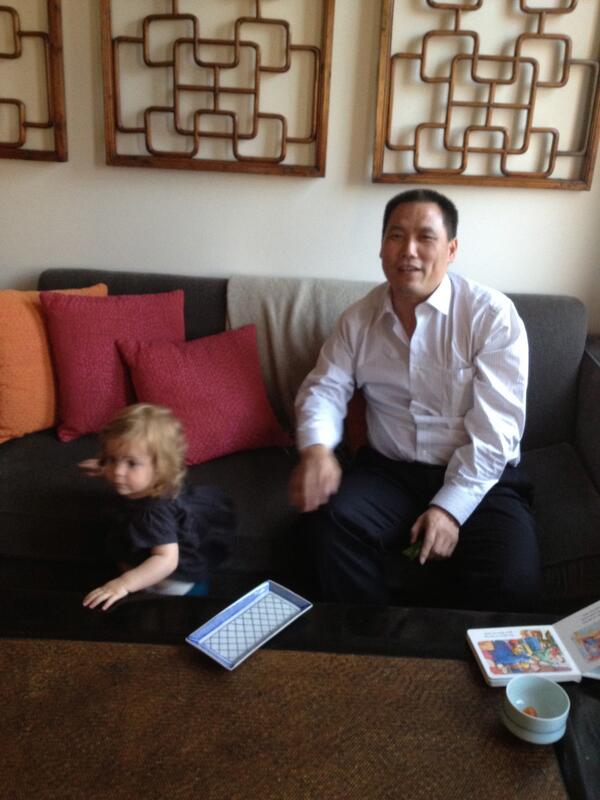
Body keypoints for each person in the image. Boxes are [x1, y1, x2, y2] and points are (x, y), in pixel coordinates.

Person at [289, 188, 542, 611]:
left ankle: (454, 651)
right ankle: (374, 641)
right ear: (381, 248)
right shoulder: (358, 320)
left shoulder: (491, 316)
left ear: (451, 249)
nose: (408, 250)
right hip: (390, 472)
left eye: (425, 237)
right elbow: (325, 389)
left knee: (513, 579)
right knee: (327, 526)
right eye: (396, 236)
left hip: (481, 476)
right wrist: (316, 450)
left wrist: (450, 510)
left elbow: (497, 434)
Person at [81, 403, 236, 611]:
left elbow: (166, 560)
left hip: (171, 580)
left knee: (149, 608)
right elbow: (123, 468)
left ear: (160, 467)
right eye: (112, 460)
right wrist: (105, 467)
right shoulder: (158, 480)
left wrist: (123, 584)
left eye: (131, 463)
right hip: (164, 544)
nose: (117, 471)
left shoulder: (154, 513)